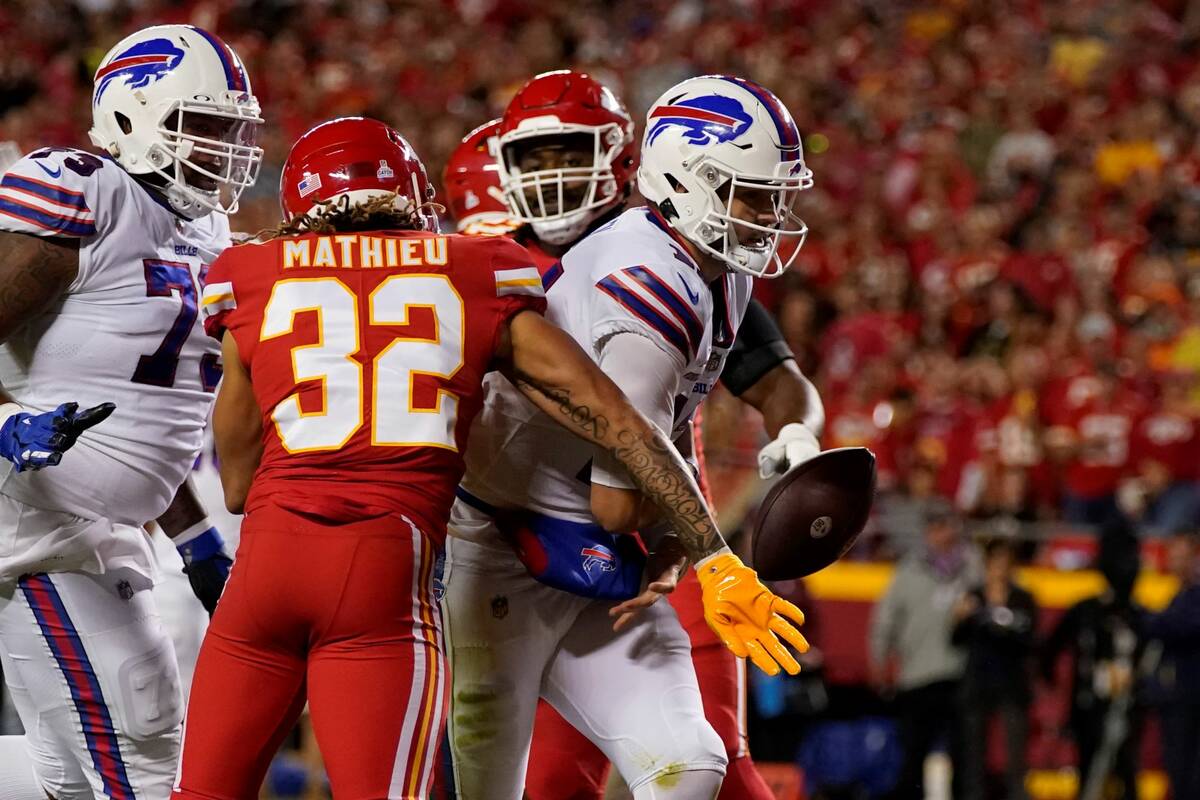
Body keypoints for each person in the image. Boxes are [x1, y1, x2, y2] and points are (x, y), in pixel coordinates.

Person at [174, 116, 804, 800]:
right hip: (386, 576)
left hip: (266, 570)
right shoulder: (476, 270)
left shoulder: (246, 275)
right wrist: (713, 555)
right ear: (413, 201)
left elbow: (237, 484)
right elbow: (618, 421)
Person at [440, 70, 826, 800]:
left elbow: (670, 448)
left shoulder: (713, 265)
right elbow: (621, 494)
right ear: (691, 182)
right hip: (501, 556)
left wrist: (687, 540)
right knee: (504, 787)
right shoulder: (642, 279)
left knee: (696, 762)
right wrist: (707, 552)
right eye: (754, 194)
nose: (770, 215)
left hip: (610, 560)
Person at [0, 24, 257, 800]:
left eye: (229, 128)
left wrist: (199, 539)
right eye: (201, 125)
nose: (221, 148)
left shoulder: (206, 233)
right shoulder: (85, 190)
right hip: (35, 514)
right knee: (144, 730)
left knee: (68, 771)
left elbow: (142, 420)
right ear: (130, 117)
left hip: (101, 522)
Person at [869, 500, 976, 800]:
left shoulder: (971, 565)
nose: (941, 533)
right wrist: (879, 662)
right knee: (913, 754)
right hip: (917, 674)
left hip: (961, 673)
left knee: (964, 755)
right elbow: (885, 619)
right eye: (935, 526)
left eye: (946, 525)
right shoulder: (910, 569)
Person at [1040, 523, 1145, 800]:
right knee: (1089, 770)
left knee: (1126, 772)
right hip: (1089, 706)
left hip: (1128, 706)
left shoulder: (1138, 615)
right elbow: (1048, 651)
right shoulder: (1087, 611)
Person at [952, 538, 1037, 800]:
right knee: (974, 755)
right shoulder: (974, 596)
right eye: (995, 563)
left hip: (1011, 683)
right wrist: (962, 618)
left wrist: (1007, 624)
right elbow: (956, 640)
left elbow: (1031, 641)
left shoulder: (1023, 599)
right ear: (987, 565)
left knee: (1015, 755)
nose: (1000, 569)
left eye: (1005, 563)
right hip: (978, 682)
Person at [1145, 532, 1200, 800]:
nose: (1176, 564)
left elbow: (1182, 626)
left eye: (1182, 557)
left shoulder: (1194, 597)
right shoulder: (1179, 595)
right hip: (1179, 698)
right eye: (1173, 557)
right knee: (1178, 769)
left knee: (1188, 771)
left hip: (1191, 697)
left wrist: (1146, 619)